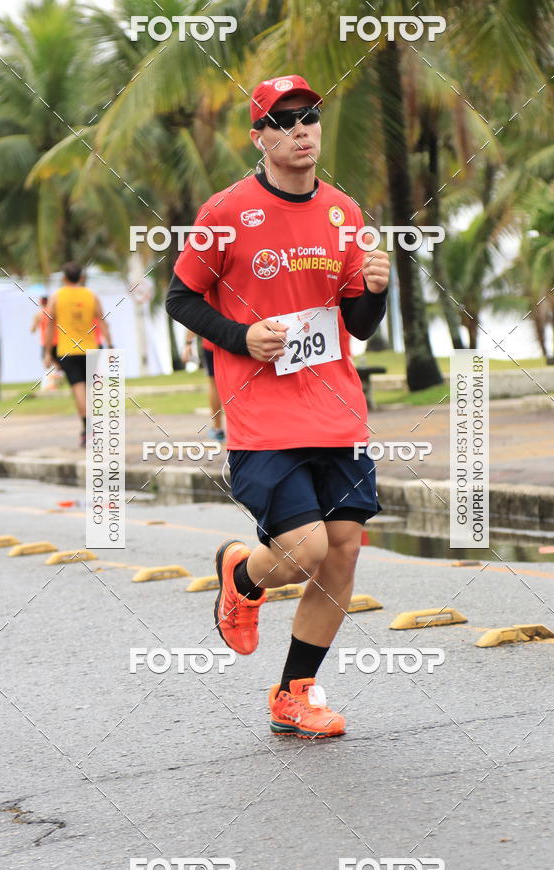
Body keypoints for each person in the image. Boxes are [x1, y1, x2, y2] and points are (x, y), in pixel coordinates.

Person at [166, 75, 390, 739]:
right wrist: (242, 338)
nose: (301, 129)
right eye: (284, 119)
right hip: (262, 415)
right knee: (302, 550)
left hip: (336, 408)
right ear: (259, 135)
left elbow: (360, 324)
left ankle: (295, 692)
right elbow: (180, 298)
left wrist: (376, 288)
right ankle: (243, 570)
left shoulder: (343, 213)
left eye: (310, 116)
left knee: (343, 552)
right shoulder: (225, 212)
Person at [44, 262, 113, 448]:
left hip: (67, 350)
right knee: (92, 388)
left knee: (78, 388)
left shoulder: (57, 297)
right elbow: (103, 320)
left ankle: (87, 429)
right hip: (91, 348)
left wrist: (47, 352)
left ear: (64, 278)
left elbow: (50, 325)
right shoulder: (91, 295)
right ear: (81, 277)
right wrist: (110, 344)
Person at [182, 330, 226, 440]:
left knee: (214, 385)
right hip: (236, 337)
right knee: (240, 382)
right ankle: (241, 428)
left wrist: (188, 344)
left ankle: (217, 429)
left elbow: (193, 316)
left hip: (211, 342)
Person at [31, 293, 59, 363]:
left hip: (46, 344)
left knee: (47, 366)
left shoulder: (38, 315)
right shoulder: (56, 313)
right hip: (58, 343)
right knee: (59, 367)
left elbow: (33, 330)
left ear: (41, 302)